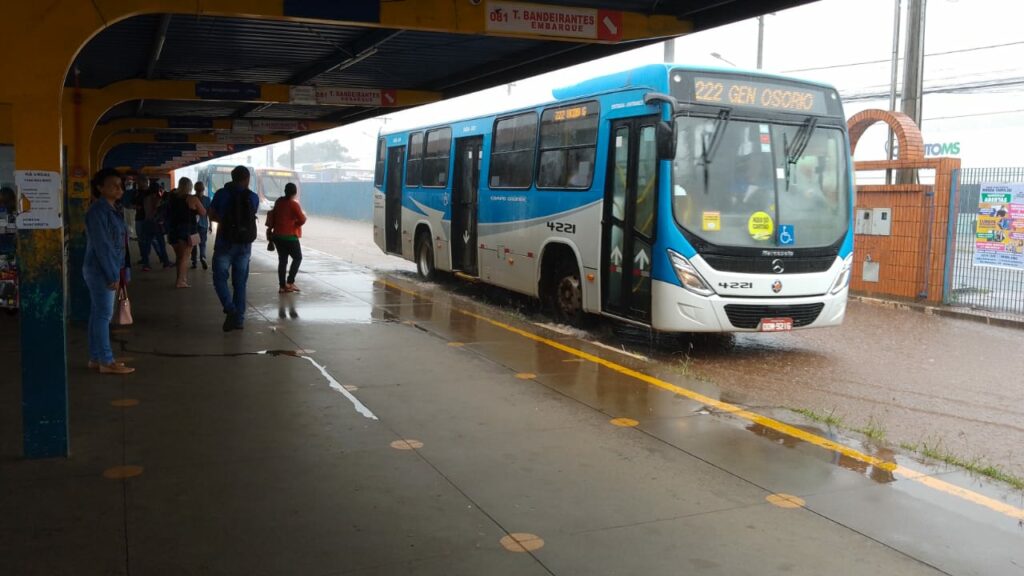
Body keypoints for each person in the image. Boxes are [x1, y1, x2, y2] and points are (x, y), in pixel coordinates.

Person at [83, 168, 135, 375]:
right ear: (100, 187)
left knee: (97, 314)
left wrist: (123, 270)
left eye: (120, 185)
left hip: (109, 268)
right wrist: (113, 275)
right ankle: (106, 360)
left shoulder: (114, 209)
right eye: (113, 185)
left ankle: (96, 358)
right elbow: (102, 246)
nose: (118, 188)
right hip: (100, 270)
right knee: (104, 315)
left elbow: (121, 243)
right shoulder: (97, 212)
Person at [209, 165, 259, 332]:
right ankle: (239, 321)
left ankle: (230, 308)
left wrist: (224, 221)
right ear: (247, 179)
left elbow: (211, 214)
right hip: (244, 246)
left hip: (224, 243)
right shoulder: (253, 197)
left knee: (219, 279)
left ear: (231, 177)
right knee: (240, 284)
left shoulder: (221, 194)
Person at [266, 182, 307, 293]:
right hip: (290, 237)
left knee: (282, 261)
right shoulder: (294, 204)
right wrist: (295, 225)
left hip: (277, 236)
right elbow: (302, 219)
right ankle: (290, 282)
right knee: (297, 258)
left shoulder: (279, 201)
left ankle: (282, 286)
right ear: (295, 192)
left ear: (285, 191)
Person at [166, 177, 207, 288]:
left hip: (173, 230)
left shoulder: (172, 198)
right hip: (188, 230)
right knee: (185, 257)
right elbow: (203, 212)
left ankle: (180, 278)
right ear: (189, 187)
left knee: (179, 256)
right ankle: (181, 281)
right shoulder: (191, 199)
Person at [191, 181, 212, 270]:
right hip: (203, 225)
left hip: (193, 225)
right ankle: (202, 257)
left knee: (194, 244)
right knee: (202, 243)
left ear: (195, 189)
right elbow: (209, 214)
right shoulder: (207, 199)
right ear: (203, 189)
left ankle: (194, 262)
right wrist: (210, 225)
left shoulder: (191, 198)